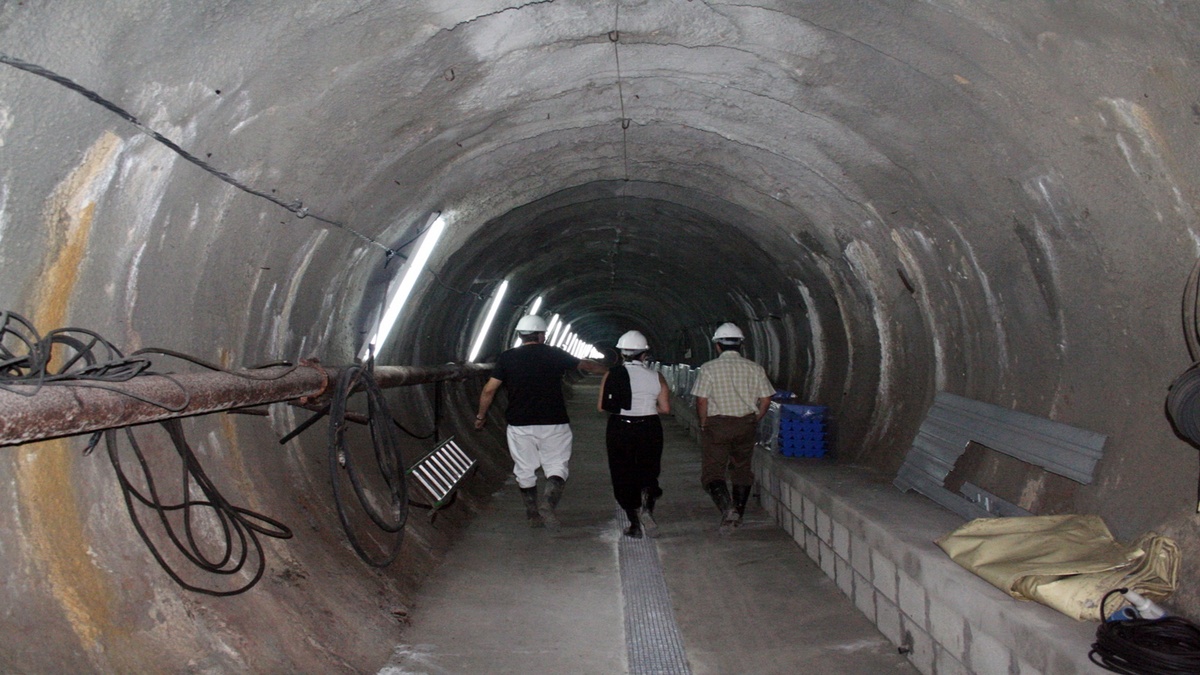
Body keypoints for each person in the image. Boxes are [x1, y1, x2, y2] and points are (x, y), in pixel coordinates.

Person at [475, 314, 607, 530]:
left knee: (524, 469)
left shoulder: (507, 358)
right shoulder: (554, 354)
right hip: (554, 421)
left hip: (519, 423)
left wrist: (481, 416)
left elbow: (489, 389)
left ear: (520, 335)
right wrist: (611, 371)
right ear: (541, 335)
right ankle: (548, 503)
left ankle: (532, 514)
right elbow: (586, 366)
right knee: (557, 464)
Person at [690, 322, 775, 533]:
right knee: (742, 469)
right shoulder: (755, 368)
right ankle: (738, 513)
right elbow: (766, 400)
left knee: (713, 472)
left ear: (717, 346)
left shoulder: (709, 368)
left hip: (717, 424)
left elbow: (702, 400)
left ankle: (727, 509)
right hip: (746, 423)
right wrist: (755, 418)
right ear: (741, 346)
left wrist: (703, 422)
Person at [597, 330, 671, 538]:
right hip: (649, 426)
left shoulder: (611, 374)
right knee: (648, 469)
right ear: (644, 354)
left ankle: (635, 524)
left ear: (621, 353)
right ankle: (648, 504)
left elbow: (602, 406)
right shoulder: (657, 376)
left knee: (623, 473)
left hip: (621, 427)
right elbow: (665, 408)